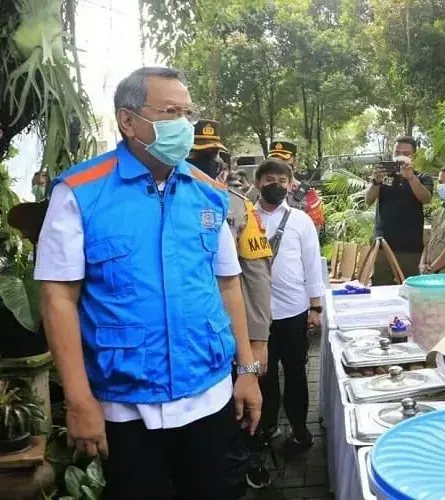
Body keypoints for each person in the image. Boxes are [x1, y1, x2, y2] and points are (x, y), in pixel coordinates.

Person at [34, 67, 263, 500]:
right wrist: (79, 400)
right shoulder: (80, 192)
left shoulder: (208, 192)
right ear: (128, 120)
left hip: (209, 394)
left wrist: (247, 371)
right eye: (170, 112)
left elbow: (229, 285)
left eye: (187, 113)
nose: (184, 125)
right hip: (126, 407)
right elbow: (57, 298)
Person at [189, 119, 274, 491]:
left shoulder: (236, 207)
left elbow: (255, 276)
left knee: (235, 422)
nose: (204, 162)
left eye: (211, 155)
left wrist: (258, 342)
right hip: (180, 344)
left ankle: (249, 465)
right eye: (196, 154)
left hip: (228, 333)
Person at [254, 158, 323, 452]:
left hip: (293, 312)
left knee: (295, 373)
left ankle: (299, 429)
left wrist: (315, 307)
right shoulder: (246, 218)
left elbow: (312, 265)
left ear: (290, 185)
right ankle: (267, 427)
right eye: (270, 180)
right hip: (257, 316)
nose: (277, 186)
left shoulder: (300, 220)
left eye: (283, 181)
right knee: (264, 376)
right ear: (258, 182)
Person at [366, 136, 434, 284]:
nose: (400, 156)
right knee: (380, 288)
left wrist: (411, 178)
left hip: (410, 247)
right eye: (397, 152)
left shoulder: (422, 177)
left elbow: (426, 198)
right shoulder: (383, 176)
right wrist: (376, 181)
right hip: (383, 246)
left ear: (413, 156)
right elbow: (368, 200)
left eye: (406, 153)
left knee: (411, 289)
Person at [248, 141, 325, 230]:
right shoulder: (255, 190)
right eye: (274, 160)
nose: (278, 165)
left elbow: (314, 232)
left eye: (284, 160)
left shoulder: (308, 195)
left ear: (295, 163)